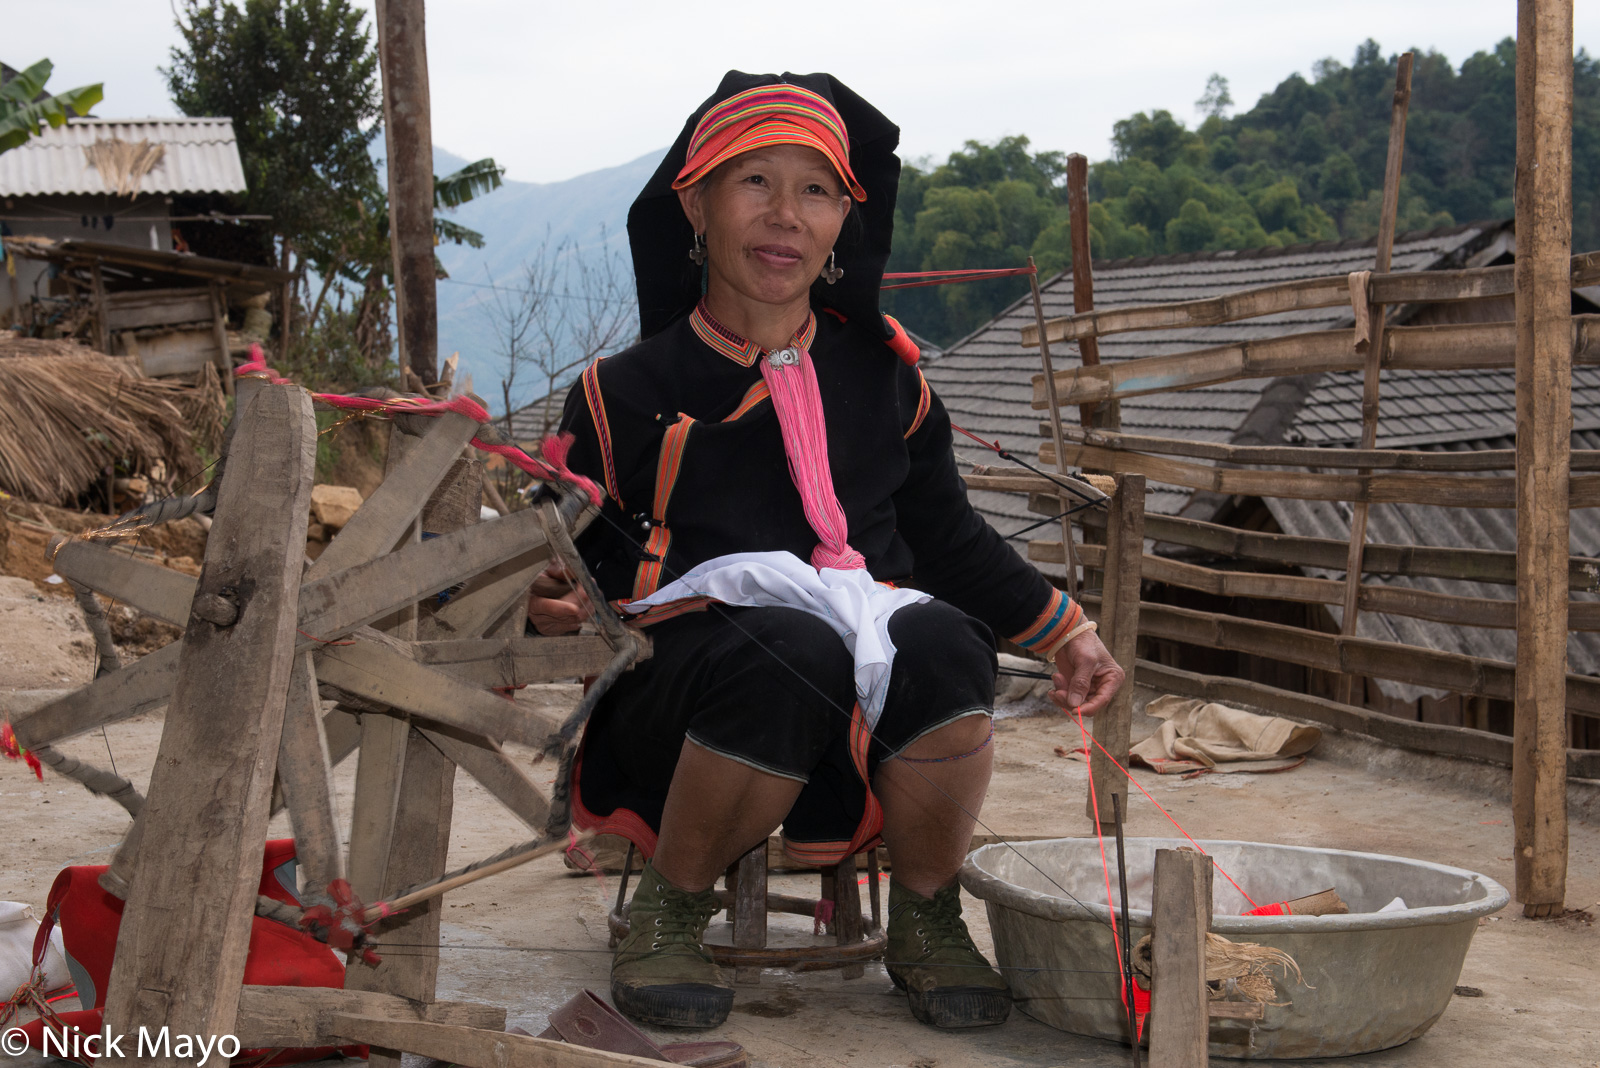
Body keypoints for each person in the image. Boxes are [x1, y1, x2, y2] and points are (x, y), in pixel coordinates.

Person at [529, 71, 1124, 1031]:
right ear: (695, 201)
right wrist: (548, 596)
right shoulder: (622, 390)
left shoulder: (889, 380)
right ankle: (671, 909)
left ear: (845, 216)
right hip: (684, 691)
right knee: (788, 652)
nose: (784, 216)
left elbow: (947, 536)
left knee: (950, 646)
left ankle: (928, 919)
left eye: (815, 191)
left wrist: (1067, 633)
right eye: (752, 182)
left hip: (869, 675)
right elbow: (566, 549)